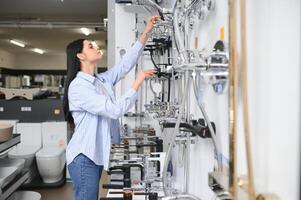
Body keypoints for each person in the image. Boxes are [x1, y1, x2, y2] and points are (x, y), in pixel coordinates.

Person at [63, 16, 160, 200]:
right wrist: (137, 82)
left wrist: (146, 32)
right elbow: (114, 110)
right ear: (80, 56)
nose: (96, 46)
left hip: (94, 156)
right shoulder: (79, 87)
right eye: (90, 46)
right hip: (84, 157)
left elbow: (125, 65)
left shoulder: (100, 80)